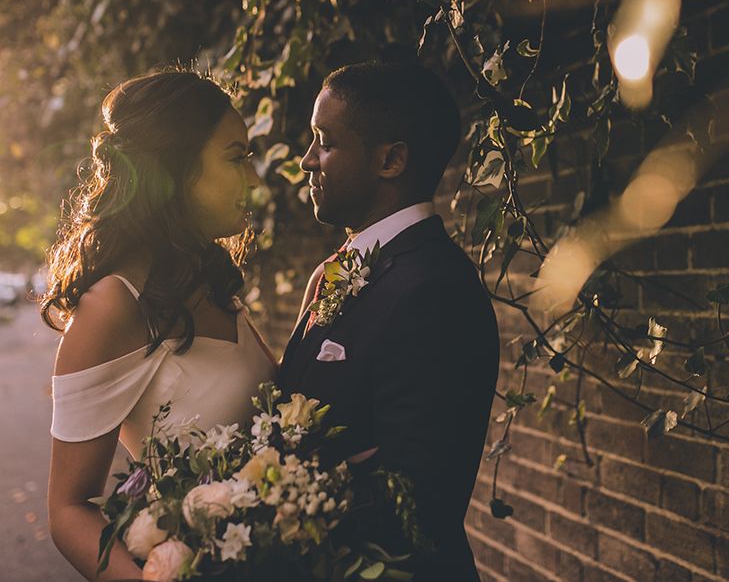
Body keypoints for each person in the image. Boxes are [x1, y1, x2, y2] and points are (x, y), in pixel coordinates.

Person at [42, 71, 276, 581]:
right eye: (236, 157)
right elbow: (67, 511)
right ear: (176, 168)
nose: (253, 179)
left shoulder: (210, 281)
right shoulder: (114, 305)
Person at [279, 61, 500, 582]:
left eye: (325, 142)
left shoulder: (435, 291)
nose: (308, 161)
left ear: (391, 159)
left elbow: (414, 500)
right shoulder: (349, 271)